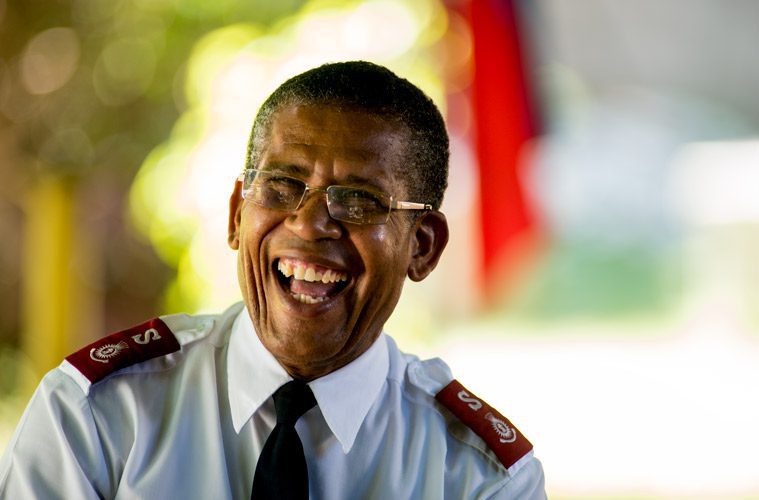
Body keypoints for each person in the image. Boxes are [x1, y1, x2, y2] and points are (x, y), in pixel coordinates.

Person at [0, 61, 546, 499]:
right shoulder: (98, 417)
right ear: (238, 213)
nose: (309, 224)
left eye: (358, 199)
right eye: (282, 185)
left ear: (422, 247)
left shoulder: (478, 479)